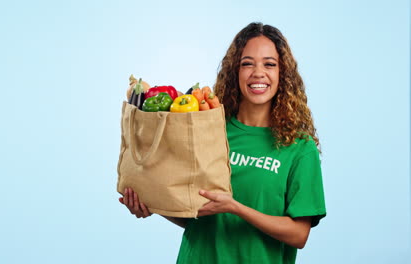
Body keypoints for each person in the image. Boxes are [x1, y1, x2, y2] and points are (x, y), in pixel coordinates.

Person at [119, 22, 326, 264]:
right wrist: (153, 206)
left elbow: (299, 234)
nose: (258, 72)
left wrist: (236, 208)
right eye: (247, 63)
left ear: (283, 74)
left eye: (269, 64)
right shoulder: (207, 129)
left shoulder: (298, 147)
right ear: (235, 72)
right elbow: (196, 214)